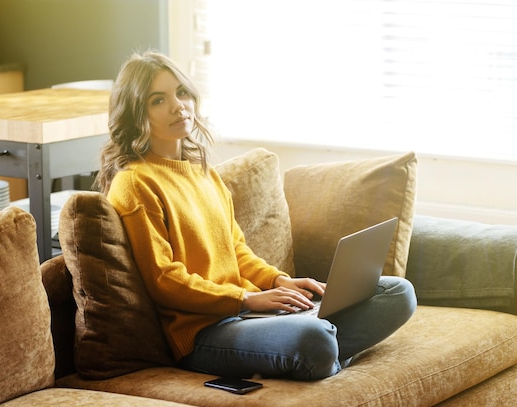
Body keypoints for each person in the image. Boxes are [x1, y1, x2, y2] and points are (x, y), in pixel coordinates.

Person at [94, 50, 416, 381]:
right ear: (135, 114)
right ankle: (318, 349)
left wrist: (279, 281)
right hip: (203, 332)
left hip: (249, 315)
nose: (178, 105)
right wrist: (248, 299)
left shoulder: (204, 174)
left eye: (182, 92)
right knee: (315, 339)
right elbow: (165, 281)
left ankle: (316, 353)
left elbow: (237, 252)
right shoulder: (134, 183)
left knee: (397, 292)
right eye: (158, 100)